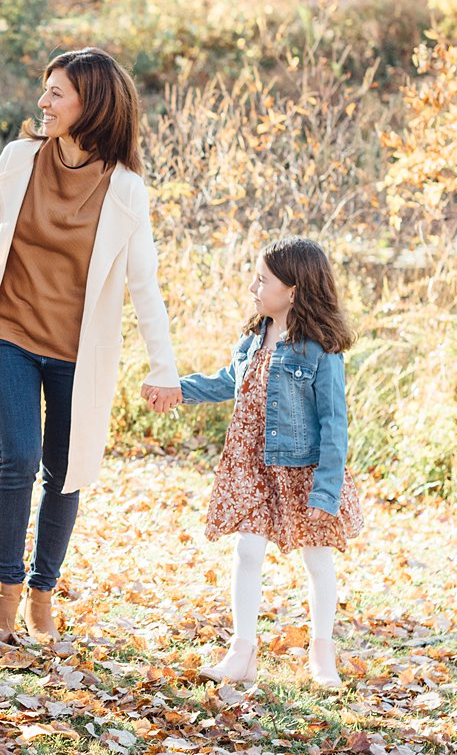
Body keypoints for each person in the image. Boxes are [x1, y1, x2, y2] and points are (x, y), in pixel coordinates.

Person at [0, 47, 183, 643]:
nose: (42, 103)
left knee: (65, 471)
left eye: (57, 94)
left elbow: (143, 284)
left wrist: (164, 366)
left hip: (78, 351)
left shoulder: (125, 190)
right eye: (44, 90)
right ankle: (6, 591)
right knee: (17, 456)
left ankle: (43, 591)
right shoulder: (20, 159)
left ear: (90, 104)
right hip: (10, 333)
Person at [168, 237, 364, 688]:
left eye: (263, 279)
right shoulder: (255, 336)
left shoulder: (319, 349)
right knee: (247, 551)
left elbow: (335, 424)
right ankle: (242, 652)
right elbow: (227, 382)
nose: (254, 287)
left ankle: (322, 655)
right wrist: (176, 388)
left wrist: (326, 491)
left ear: (292, 290)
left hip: (302, 470)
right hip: (252, 465)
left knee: (317, 560)